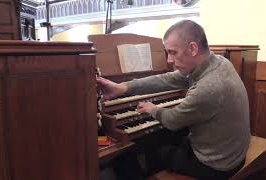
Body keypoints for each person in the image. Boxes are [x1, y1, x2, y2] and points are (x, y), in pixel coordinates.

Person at [97, 20, 250, 180]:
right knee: (159, 137)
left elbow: (172, 120)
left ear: (192, 48)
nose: (169, 60)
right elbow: (168, 79)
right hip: (232, 151)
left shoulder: (208, 87)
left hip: (217, 165)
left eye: (173, 52)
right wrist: (123, 87)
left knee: (135, 151)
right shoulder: (218, 62)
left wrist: (152, 109)